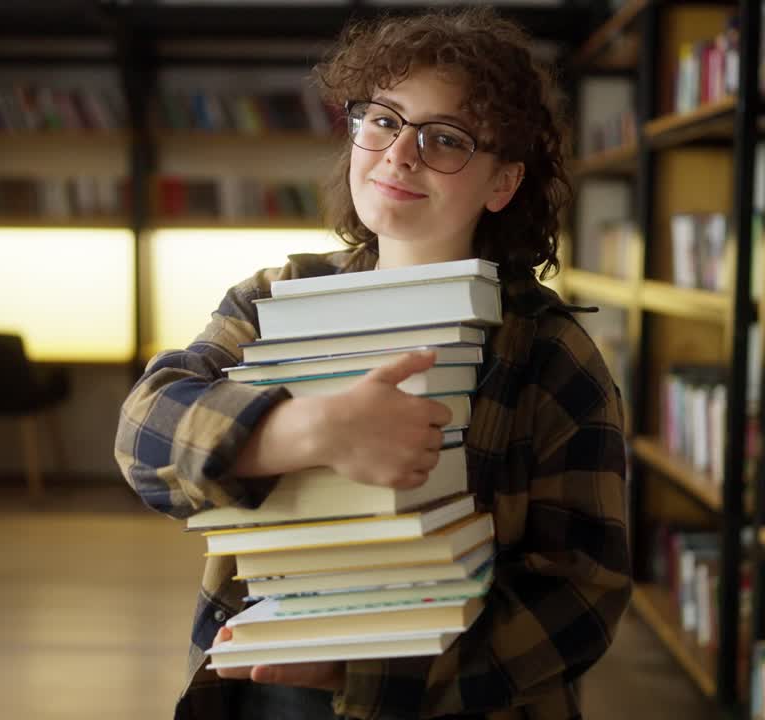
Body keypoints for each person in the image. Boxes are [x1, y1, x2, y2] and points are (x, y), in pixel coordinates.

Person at [114, 7, 631, 719]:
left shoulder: (551, 351)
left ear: (502, 183)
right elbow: (143, 436)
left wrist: (365, 674)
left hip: (455, 704)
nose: (400, 154)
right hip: (263, 682)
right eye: (383, 120)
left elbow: (583, 594)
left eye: (445, 138)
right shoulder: (272, 297)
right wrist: (310, 431)